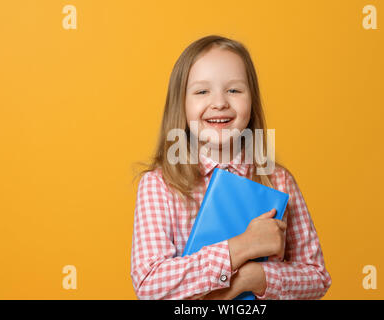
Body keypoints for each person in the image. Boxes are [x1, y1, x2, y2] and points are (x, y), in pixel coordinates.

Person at [130, 35, 332, 300]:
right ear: (181, 103)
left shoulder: (278, 180)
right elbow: (150, 285)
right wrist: (241, 247)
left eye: (234, 90)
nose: (220, 102)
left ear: (252, 100)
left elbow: (317, 278)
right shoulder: (159, 185)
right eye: (202, 91)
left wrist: (256, 279)